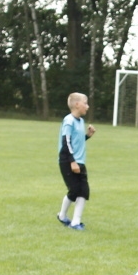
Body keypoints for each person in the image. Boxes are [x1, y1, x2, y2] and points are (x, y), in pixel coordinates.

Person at [56, 92, 96, 231]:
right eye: (85, 103)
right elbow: (66, 142)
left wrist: (87, 136)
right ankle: (67, 218)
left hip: (79, 161)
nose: (88, 106)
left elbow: (76, 142)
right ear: (77, 104)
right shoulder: (69, 121)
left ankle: (73, 221)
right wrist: (72, 162)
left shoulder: (80, 121)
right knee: (74, 191)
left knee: (83, 191)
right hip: (68, 161)